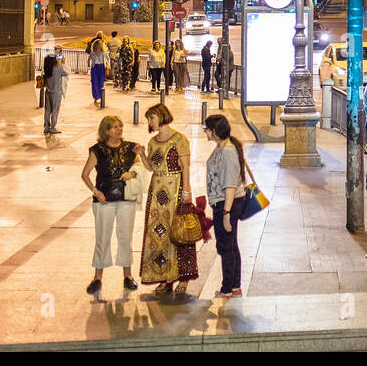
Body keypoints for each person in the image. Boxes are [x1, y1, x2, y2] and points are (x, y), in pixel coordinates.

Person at [81, 115, 149, 294]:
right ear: (105, 131)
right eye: (114, 127)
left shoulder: (130, 148)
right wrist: (96, 192)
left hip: (126, 197)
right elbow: (85, 174)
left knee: (125, 237)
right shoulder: (97, 150)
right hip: (104, 200)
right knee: (102, 238)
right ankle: (97, 277)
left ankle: (128, 275)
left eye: (120, 126)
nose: (119, 130)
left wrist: (132, 174)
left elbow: (139, 168)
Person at [139, 103, 198, 294]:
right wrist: (141, 155)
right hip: (157, 192)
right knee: (158, 234)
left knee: (179, 233)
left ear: (162, 117)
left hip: (175, 189)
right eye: (149, 118)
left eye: (152, 118)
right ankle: (164, 276)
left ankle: (183, 278)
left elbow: (186, 166)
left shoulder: (179, 140)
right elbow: (151, 167)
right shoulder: (152, 142)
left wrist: (186, 191)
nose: (149, 122)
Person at [203, 114, 246, 298]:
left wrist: (226, 213)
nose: (205, 131)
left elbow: (230, 185)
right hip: (224, 202)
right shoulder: (223, 147)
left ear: (214, 132)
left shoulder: (227, 152)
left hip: (227, 203)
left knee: (226, 247)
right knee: (231, 244)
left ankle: (227, 288)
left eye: (207, 128)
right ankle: (235, 286)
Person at [42, 52, 68, 136]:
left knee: (47, 110)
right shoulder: (57, 68)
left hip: (48, 92)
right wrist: (62, 62)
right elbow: (66, 73)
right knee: (55, 110)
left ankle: (46, 127)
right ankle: (53, 128)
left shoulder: (46, 70)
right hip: (56, 93)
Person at [88, 36, 107, 107]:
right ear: (95, 45)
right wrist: (89, 68)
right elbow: (89, 60)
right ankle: (96, 97)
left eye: (101, 44)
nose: (100, 45)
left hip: (101, 67)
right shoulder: (93, 53)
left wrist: (107, 66)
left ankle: (101, 97)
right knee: (94, 82)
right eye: (98, 44)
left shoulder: (104, 53)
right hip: (95, 68)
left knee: (101, 82)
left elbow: (107, 59)